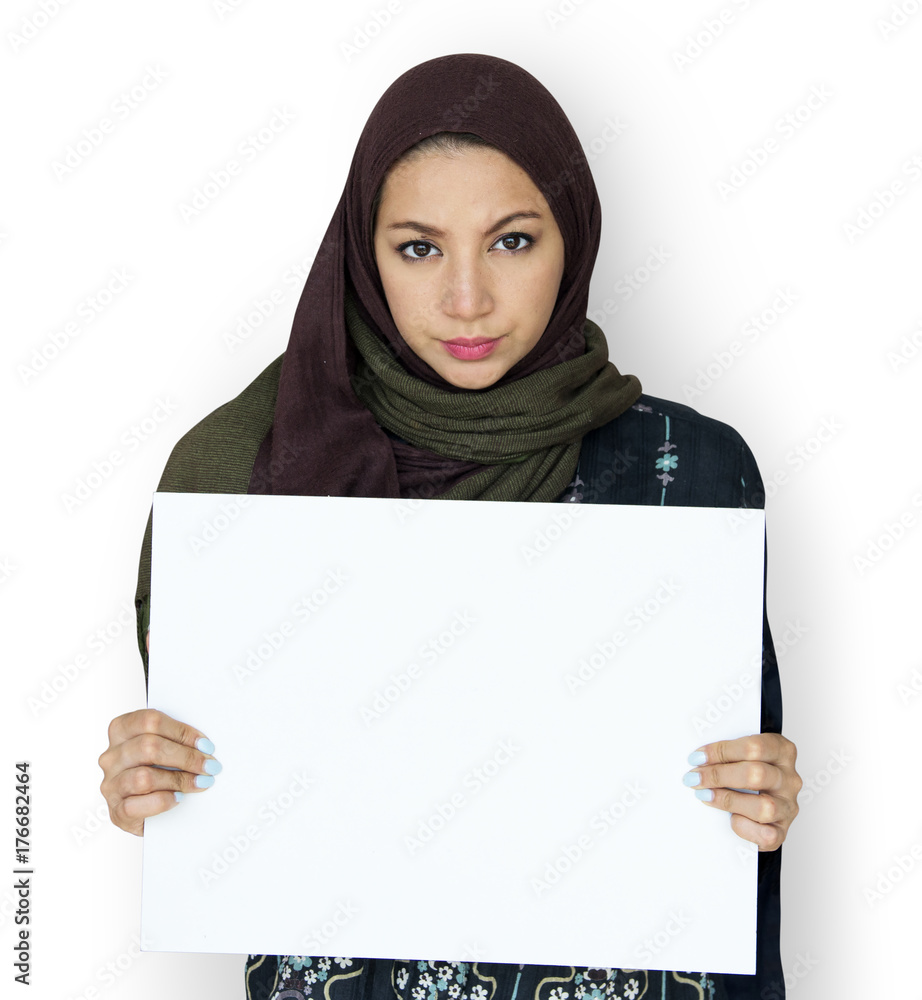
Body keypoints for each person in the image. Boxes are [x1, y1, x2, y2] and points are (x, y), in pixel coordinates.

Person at [98, 53, 801, 1000]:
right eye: (418, 248)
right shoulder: (244, 482)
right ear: (361, 252)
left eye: (511, 241)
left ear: (575, 239)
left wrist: (760, 796)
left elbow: (726, 814)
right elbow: (232, 795)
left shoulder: (697, 471)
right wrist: (155, 790)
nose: (465, 299)